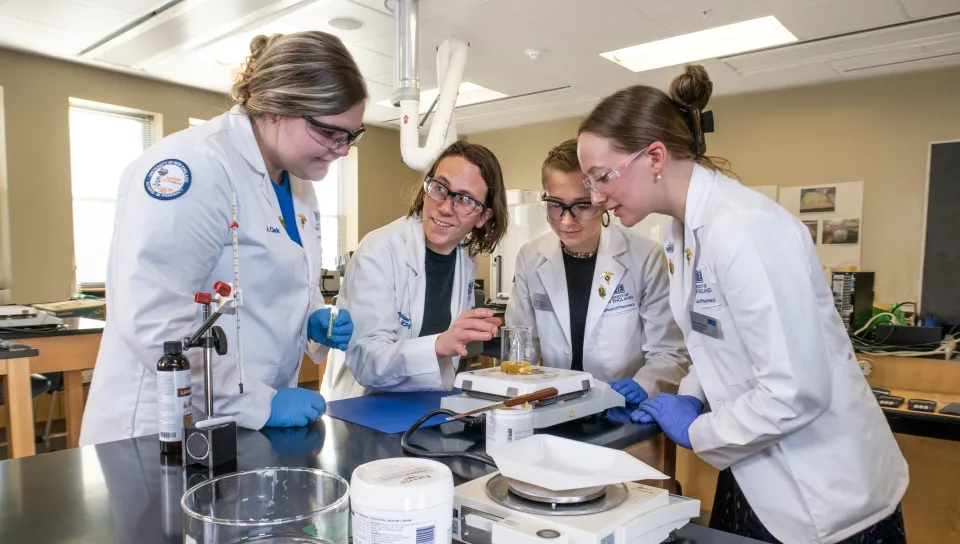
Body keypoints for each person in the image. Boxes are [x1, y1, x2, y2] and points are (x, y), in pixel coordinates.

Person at [576, 65, 908, 544]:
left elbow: (796, 391)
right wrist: (692, 392)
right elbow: (712, 338)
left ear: (654, 157)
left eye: (601, 177)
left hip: (824, 492)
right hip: (755, 469)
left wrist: (698, 431)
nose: (596, 197)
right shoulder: (679, 231)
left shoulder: (743, 228)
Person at [80, 31, 364, 445]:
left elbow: (273, 283)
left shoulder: (297, 182)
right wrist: (254, 402)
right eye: (329, 132)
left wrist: (312, 316)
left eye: (352, 135)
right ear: (274, 105)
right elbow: (156, 321)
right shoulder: (193, 166)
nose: (342, 149)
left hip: (249, 421)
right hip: (162, 426)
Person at [505, 139, 688, 408]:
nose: (567, 220)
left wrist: (645, 384)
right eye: (556, 204)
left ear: (601, 199)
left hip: (621, 408)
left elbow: (669, 351)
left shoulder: (645, 257)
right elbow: (520, 341)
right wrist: (517, 384)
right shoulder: (530, 257)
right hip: (553, 404)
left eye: (582, 205)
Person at [322, 141, 508, 400]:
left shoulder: (466, 257)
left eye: (464, 199)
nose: (445, 207)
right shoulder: (378, 250)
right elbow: (367, 362)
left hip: (424, 400)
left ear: (483, 217)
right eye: (440, 188)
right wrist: (439, 345)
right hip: (360, 404)